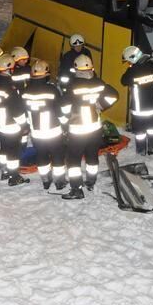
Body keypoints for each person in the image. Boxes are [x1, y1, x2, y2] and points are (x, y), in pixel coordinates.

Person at [59, 54, 118, 199]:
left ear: (76, 69)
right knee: (92, 156)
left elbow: (64, 107)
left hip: (77, 130)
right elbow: (114, 94)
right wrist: (100, 106)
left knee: (74, 160)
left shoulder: (72, 86)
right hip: (94, 129)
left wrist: (64, 123)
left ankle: (76, 189)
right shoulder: (98, 83)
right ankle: (91, 182)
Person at [22, 60, 67, 190]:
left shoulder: (25, 92)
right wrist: (65, 126)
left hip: (36, 133)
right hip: (53, 132)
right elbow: (60, 111)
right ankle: (59, 182)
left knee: (41, 155)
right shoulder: (52, 90)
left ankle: (46, 181)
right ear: (46, 73)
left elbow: (24, 111)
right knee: (57, 156)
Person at [0, 53, 29, 186]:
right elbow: (16, 109)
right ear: (9, 69)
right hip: (11, 124)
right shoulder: (9, 87)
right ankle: (14, 176)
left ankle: (4, 171)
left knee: (4, 147)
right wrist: (24, 124)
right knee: (13, 151)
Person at [121, 46, 153, 155]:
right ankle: (152, 148)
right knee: (152, 129)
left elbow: (123, 81)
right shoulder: (152, 66)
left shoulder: (133, 71)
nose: (129, 63)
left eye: (129, 61)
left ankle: (141, 151)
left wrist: (131, 68)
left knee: (140, 133)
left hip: (140, 109)